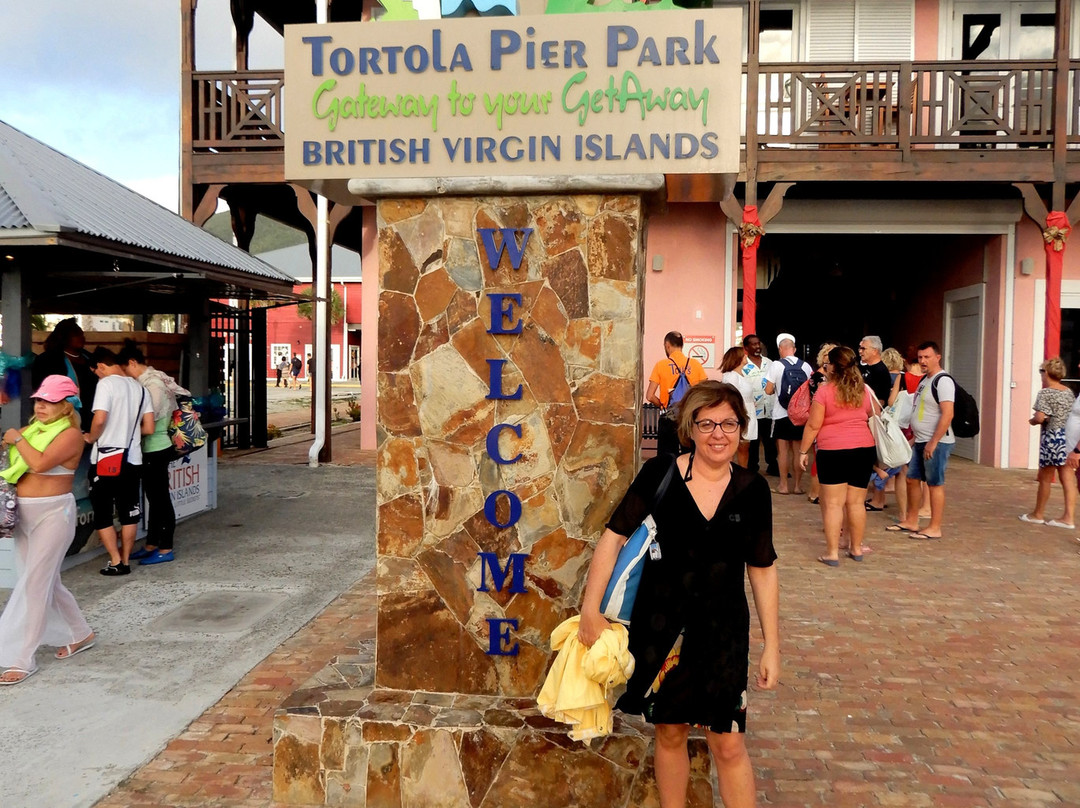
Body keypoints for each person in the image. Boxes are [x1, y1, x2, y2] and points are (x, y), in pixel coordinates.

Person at [578, 381, 779, 808]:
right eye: (707, 423)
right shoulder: (661, 474)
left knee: (727, 743)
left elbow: (762, 568)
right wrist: (589, 610)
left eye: (728, 423)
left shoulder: (753, 489)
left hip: (723, 635)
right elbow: (613, 538)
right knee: (669, 733)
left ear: (742, 428)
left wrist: (772, 645)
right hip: (661, 631)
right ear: (691, 427)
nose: (718, 434)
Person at [0, 376, 95, 685]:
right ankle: (81, 633)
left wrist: (16, 439)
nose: (41, 406)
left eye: (50, 401)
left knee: (35, 585)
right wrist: (17, 439)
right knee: (46, 582)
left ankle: (22, 656)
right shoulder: (31, 431)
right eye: (39, 400)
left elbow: (39, 464)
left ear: (66, 406)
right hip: (24, 515)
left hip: (54, 513)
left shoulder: (70, 435)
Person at [798, 346, 876, 566]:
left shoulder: (824, 391)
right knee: (856, 503)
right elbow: (872, 415)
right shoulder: (864, 390)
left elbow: (814, 424)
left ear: (832, 366)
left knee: (833, 504)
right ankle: (856, 548)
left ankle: (832, 553)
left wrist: (803, 451)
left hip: (833, 449)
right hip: (863, 448)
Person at [86, 347, 155, 576]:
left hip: (106, 458)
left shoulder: (106, 385)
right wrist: (128, 430)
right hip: (133, 459)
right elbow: (149, 427)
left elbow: (100, 418)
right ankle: (125, 558)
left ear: (101, 366)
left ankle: (115, 560)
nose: (98, 376)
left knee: (103, 511)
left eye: (96, 372)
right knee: (129, 512)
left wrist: (91, 436)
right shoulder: (140, 389)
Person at [117, 340, 186, 564]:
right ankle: (152, 543)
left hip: (156, 447)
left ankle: (165, 548)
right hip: (152, 448)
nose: (127, 376)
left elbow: (151, 419)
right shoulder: (155, 379)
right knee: (153, 499)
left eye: (126, 370)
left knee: (160, 500)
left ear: (132, 363)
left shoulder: (153, 384)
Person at [887, 341, 954, 540]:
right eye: (920, 357)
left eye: (927, 357)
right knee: (912, 479)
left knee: (934, 483)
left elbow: (947, 414)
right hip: (921, 440)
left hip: (936, 442)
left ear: (937, 357)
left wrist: (933, 442)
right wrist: (915, 439)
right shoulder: (925, 380)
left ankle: (935, 526)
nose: (923, 361)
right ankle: (911, 520)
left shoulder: (943, 381)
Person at [1018, 357, 1077, 529]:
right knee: (1067, 477)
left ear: (1047, 373)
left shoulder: (1045, 393)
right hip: (1068, 436)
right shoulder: (1068, 392)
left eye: (1042, 371)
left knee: (1045, 478)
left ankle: (1038, 514)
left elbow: (1040, 417)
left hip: (1052, 437)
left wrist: (1034, 421)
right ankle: (1068, 517)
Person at [645, 331, 708, 457]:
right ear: (682, 345)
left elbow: (649, 396)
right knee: (690, 456)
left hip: (669, 417)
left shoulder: (661, 365)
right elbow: (705, 393)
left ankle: (670, 476)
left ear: (667, 345)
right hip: (689, 417)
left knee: (667, 458)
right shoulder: (695, 365)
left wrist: (663, 405)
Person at [765, 333, 812, 495]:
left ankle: (783, 486)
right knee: (799, 451)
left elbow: (768, 389)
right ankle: (798, 486)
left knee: (783, 452)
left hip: (781, 414)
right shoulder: (806, 366)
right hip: (800, 415)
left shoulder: (776, 365)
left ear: (780, 349)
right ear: (795, 349)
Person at [30, 317, 97, 426]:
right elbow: (41, 388)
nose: (81, 337)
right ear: (64, 338)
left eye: (82, 334)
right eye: (76, 335)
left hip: (90, 415)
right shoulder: (49, 360)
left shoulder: (90, 358)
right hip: (62, 416)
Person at [739, 334, 777, 476]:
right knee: (753, 440)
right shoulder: (743, 365)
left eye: (758, 343)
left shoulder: (770, 363)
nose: (757, 347)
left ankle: (773, 465)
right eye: (753, 344)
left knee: (770, 440)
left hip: (769, 408)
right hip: (753, 409)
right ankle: (752, 467)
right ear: (746, 347)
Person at [805, 342, 837, 506]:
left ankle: (818, 491)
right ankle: (814, 492)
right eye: (828, 356)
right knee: (819, 457)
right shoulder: (818, 377)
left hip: (828, 422)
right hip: (820, 420)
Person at [718, 346, 758, 468]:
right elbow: (729, 398)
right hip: (738, 414)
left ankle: (741, 474)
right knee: (735, 447)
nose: (746, 356)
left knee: (744, 448)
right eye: (744, 355)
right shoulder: (731, 376)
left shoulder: (741, 375)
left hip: (747, 412)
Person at [858, 336, 893, 405]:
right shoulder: (863, 368)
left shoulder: (881, 371)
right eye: (860, 348)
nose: (860, 351)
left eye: (863, 348)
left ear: (874, 351)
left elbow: (880, 400)